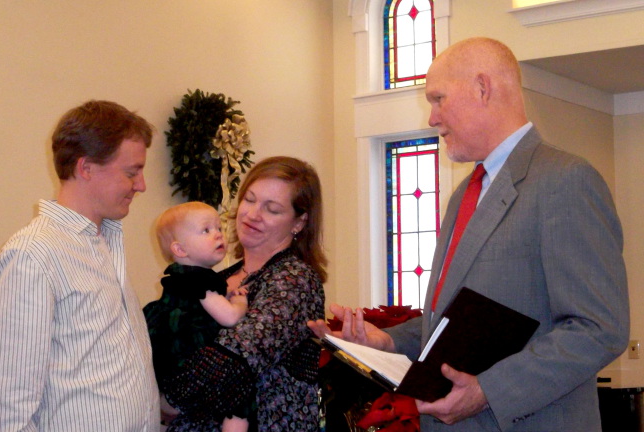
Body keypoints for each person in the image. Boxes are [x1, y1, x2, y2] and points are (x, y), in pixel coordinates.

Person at [309, 37, 629, 432]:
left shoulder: (565, 181)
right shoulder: (464, 195)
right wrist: (388, 342)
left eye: (439, 98)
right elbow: (449, 325)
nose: (432, 118)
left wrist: (489, 390)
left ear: (483, 88)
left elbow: (598, 328)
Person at [0, 100, 160, 431]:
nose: (141, 185)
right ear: (85, 168)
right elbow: (8, 407)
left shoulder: (105, 241)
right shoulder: (34, 254)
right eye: (131, 172)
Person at [160, 156, 327, 432]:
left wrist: (166, 402)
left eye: (272, 209)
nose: (252, 214)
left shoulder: (295, 280)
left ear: (299, 222)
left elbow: (234, 361)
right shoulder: (222, 278)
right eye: (249, 200)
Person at [144, 201, 249, 432]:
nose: (218, 235)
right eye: (206, 230)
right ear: (180, 249)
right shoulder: (201, 280)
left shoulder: (179, 278)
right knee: (240, 391)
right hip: (192, 369)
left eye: (219, 228)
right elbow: (229, 317)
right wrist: (240, 301)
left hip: (170, 377)